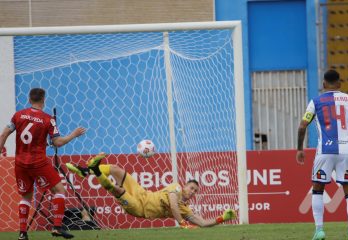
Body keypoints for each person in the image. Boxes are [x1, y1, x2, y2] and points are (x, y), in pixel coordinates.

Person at [0, 88, 86, 240]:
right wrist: (74, 134)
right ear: (44, 99)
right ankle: (57, 227)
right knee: (59, 190)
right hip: (38, 162)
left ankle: (22, 233)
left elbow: (4, 133)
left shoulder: (18, 115)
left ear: (29, 99)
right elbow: (58, 142)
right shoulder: (48, 119)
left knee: (26, 197)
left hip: (20, 163)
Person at [66, 152, 237, 228]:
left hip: (139, 209)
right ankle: (85, 171)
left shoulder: (185, 209)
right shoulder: (175, 188)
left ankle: (95, 170)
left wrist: (222, 218)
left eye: (195, 191)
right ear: (184, 186)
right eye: (191, 188)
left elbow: (202, 223)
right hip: (142, 193)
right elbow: (173, 204)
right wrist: (182, 223)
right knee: (117, 169)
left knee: (116, 189)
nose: (192, 192)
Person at [296, 70, 348, 240]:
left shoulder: (316, 102)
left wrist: (300, 149)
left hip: (325, 151)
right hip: (346, 152)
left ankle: (319, 230)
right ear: (339, 84)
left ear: (323, 84)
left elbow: (302, 127)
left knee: (317, 189)